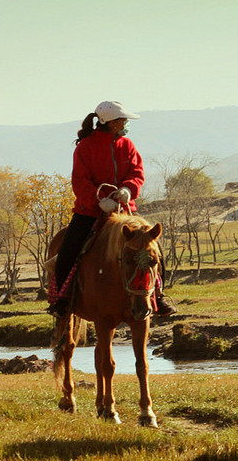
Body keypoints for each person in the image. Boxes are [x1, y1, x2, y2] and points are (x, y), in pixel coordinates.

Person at [48, 101, 176, 317]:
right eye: (122, 120)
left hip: (125, 211)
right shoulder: (85, 147)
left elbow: (137, 172)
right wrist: (98, 200)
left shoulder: (128, 145)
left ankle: (159, 296)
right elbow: (80, 181)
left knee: (154, 250)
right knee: (68, 250)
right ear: (110, 122)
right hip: (89, 211)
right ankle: (61, 300)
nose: (125, 123)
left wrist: (128, 189)